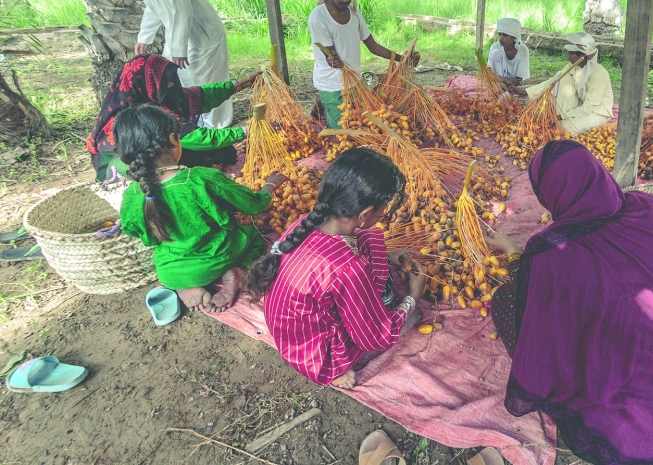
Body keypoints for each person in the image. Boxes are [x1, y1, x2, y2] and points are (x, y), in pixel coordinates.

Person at [486, 140, 653, 465]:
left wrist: (515, 254)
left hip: (634, 439)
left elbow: (538, 305)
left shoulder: (551, 253)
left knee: (508, 302)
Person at [245, 148, 426, 389]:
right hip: (315, 354)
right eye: (383, 209)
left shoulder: (306, 223)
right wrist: (413, 296)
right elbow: (373, 336)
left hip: (290, 329)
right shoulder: (347, 269)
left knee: (369, 241)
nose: (384, 214)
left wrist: (388, 255)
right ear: (364, 214)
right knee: (389, 317)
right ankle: (335, 370)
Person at [115, 104, 286, 313]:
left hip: (171, 271)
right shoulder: (201, 179)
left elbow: (136, 231)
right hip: (218, 258)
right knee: (252, 236)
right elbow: (254, 205)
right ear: (173, 140)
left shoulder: (132, 194)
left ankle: (185, 287)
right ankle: (236, 272)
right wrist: (269, 185)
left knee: (170, 257)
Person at [89, 0, 233, 129]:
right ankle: (194, 125)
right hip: (179, 34)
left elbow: (182, 10)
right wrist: (144, 37)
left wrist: (178, 48)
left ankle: (217, 127)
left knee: (206, 79)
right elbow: (153, 6)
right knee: (181, 78)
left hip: (201, 34)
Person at [87, 54, 259, 181]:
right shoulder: (147, 114)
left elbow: (194, 95)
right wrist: (247, 131)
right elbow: (196, 138)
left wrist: (238, 85)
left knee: (220, 150)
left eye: (171, 81)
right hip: (123, 168)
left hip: (150, 156)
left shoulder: (152, 96)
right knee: (221, 152)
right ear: (149, 84)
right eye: (167, 84)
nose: (171, 86)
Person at [308, 0, 419, 129]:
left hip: (354, 80)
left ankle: (322, 103)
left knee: (366, 122)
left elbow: (373, 46)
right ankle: (324, 100)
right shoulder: (318, 17)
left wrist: (401, 59)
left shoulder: (354, 14)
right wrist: (332, 59)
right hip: (331, 82)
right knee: (344, 130)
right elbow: (329, 56)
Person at [522, 31, 612, 135]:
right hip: (581, 107)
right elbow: (553, 81)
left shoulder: (598, 74)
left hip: (596, 113)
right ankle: (561, 118)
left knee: (564, 128)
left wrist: (561, 116)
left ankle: (562, 120)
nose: (568, 57)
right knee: (562, 78)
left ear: (583, 55)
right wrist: (526, 92)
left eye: (572, 53)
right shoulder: (572, 66)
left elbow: (588, 107)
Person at [487, 18, 530, 92]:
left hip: (518, 86)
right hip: (500, 82)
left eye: (505, 35)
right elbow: (489, 74)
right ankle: (499, 89)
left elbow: (519, 80)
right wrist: (504, 79)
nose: (501, 38)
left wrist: (508, 82)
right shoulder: (495, 47)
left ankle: (501, 89)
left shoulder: (522, 50)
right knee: (495, 53)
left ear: (513, 37)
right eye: (499, 34)